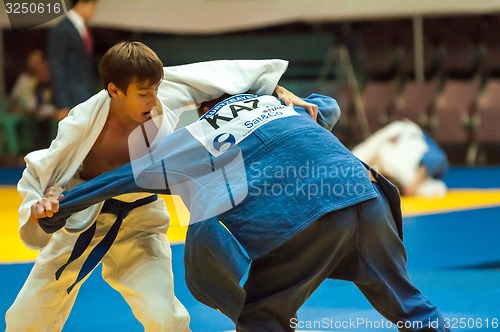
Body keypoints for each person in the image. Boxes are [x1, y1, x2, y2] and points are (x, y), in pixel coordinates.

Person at [41, 91, 449, 331]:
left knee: (262, 316)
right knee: (409, 307)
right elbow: (329, 107)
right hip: (365, 194)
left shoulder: (196, 135)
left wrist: (61, 205)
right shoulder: (279, 102)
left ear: (203, 108)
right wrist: (286, 91)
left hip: (299, 215)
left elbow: (129, 176)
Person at [6, 41, 304, 331]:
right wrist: (36, 206)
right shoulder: (82, 120)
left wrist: (273, 88)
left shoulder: (163, 93)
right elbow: (38, 171)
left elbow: (226, 74)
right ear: (114, 90)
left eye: (156, 90)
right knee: (25, 319)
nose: (152, 99)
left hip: (140, 223)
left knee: (165, 318)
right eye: (142, 93)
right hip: (82, 221)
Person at [352, 120, 449, 197]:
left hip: (405, 136)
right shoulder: (411, 178)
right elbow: (437, 159)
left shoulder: (412, 183)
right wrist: (414, 185)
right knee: (357, 157)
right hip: (404, 132)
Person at [47, 0, 99, 121]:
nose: (93, 12)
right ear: (81, 4)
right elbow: (56, 65)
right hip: (70, 94)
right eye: (92, 6)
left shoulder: (81, 27)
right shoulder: (62, 29)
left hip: (85, 90)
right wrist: (62, 102)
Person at [10, 49, 58, 151]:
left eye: (37, 62)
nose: (34, 64)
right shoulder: (24, 79)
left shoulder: (49, 78)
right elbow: (17, 100)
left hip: (44, 112)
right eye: (32, 61)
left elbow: (48, 98)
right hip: (26, 112)